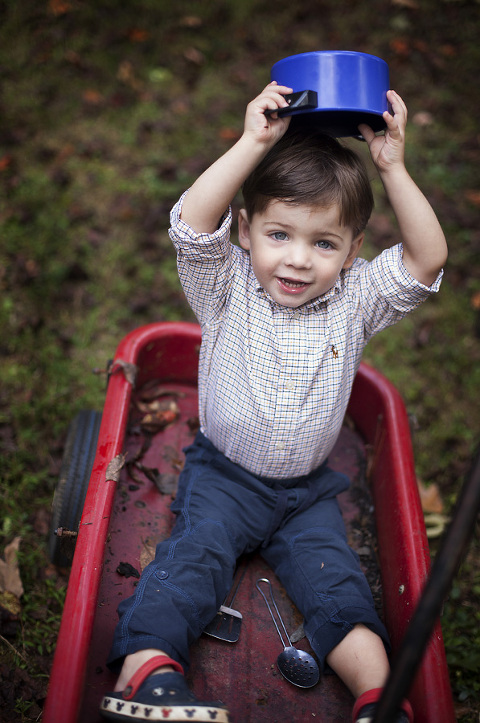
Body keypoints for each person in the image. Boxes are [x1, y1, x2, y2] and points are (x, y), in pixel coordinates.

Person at [99, 81, 447, 723]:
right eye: (279, 234)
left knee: (337, 586)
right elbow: (190, 225)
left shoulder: (354, 301)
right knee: (193, 560)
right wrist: (253, 141)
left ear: (351, 253)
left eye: (323, 243)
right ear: (246, 229)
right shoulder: (224, 284)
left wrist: (393, 167)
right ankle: (146, 668)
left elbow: (427, 259)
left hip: (307, 490)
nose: (297, 260)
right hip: (225, 475)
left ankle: (380, 700)